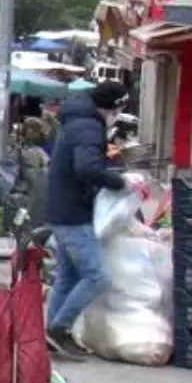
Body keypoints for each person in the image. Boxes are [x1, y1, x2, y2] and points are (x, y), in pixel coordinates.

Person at [44, 82, 130, 361]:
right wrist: (118, 181)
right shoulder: (89, 126)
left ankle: (49, 333)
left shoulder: (78, 119)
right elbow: (87, 167)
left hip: (61, 208)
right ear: (113, 105)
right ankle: (60, 328)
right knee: (97, 276)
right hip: (73, 212)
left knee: (68, 276)